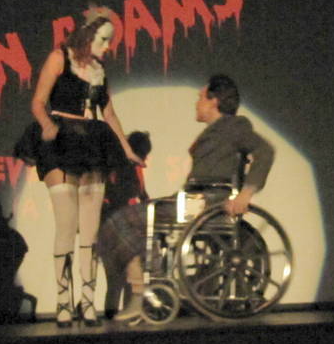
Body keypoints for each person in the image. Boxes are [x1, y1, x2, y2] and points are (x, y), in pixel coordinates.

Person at [98, 74, 274, 323]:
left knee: (121, 221)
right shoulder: (217, 131)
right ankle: (147, 286)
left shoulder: (234, 127)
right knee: (121, 222)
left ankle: (144, 290)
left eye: (200, 97)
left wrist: (246, 194)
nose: (196, 103)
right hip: (194, 199)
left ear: (214, 101)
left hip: (205, 201)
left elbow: (265, 152)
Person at [14, 7, 142, 327]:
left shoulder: (99, 70)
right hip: (61, 142)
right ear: (87, 34)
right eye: (104, 39)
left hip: (92, 143)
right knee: (66, 223)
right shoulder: (59, 58)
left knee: (90, 228)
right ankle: (63, 302)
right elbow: (38, 101)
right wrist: (47, 125)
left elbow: (108, 113)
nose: (108, 46)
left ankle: (87, 302)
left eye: (110, 40)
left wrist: (127, 150)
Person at [101, 130, 152, 319]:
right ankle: (117, 316)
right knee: (120, 278)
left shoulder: (125, 166)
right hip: (116, 226)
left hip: (116, 225)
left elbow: (143, 195)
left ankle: (119, 315)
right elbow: (133, 194)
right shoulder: (122, 166)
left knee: (123, 279)